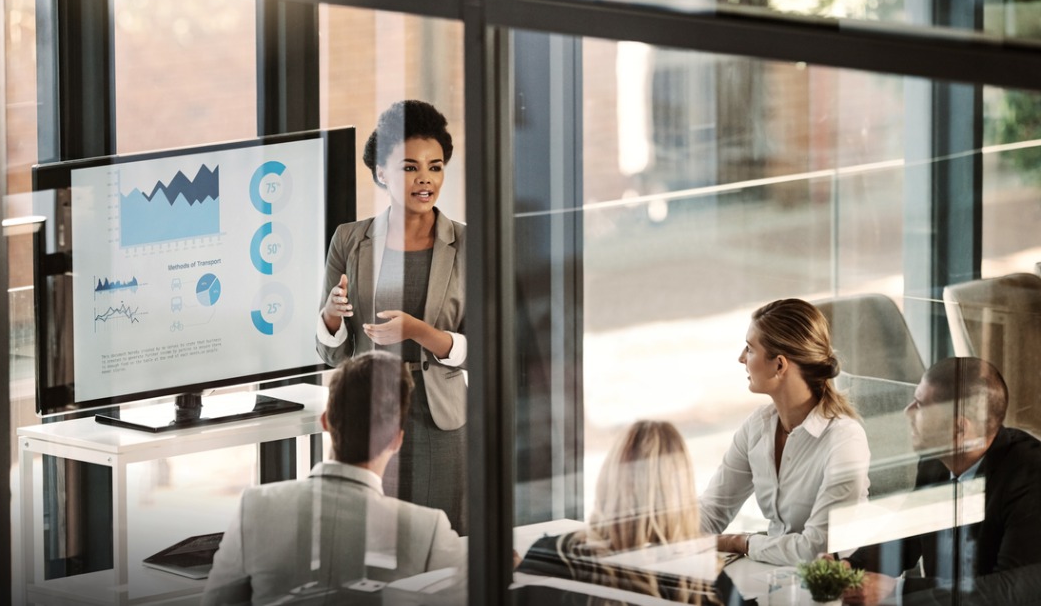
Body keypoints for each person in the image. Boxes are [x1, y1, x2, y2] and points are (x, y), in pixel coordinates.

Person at [201, 351, 466, 606]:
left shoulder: (255, 507)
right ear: (397, 440)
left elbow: (216, 601)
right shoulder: (426, 529)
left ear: (326, 421)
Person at [317, 99, 468, 534]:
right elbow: (333, 355)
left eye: (435, 167)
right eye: (409, 168)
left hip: (439, 418)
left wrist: (418, 332)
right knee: (368, 539)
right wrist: (330, 317)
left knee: (443, 538)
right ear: (381, 172)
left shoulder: (467, 243)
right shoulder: (350, 240)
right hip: (370, 410)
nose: (425, 179)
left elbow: (484, 348)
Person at [839, 357, 1041, 606]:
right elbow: (904, 538)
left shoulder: (1031, 475)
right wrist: (848, 567)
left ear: (959, 429)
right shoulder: (936, 461)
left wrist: (899, 592)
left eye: (921, 405)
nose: (908, 411)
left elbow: (1010, 593)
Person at [699, 298, 870, 565]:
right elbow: (712, 511)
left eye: (749, 349)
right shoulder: (758, 427)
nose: (741, 358)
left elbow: (814, 549)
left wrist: (739, 542)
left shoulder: (844, 439)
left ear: (779, 365)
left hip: (832, 588)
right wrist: (659, 539)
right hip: (771, 575)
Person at [518, 420, 722, 605]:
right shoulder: (701, 583)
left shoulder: (555, 555)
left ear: (609, 477)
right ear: (682, 490)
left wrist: (525, 568)